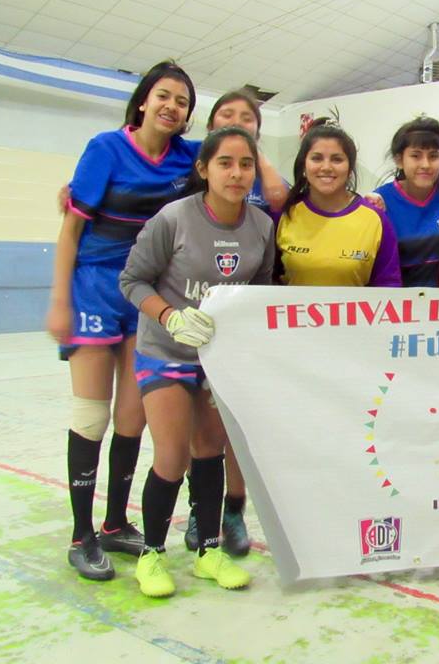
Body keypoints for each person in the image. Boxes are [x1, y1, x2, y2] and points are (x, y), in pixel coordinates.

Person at [46, 61, 199, 581]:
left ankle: (114, 523)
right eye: (163, 95)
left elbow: (239, 153)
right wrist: (58, 301)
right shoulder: (104, 149)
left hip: (145, 295)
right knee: (92, 415)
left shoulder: (189, 159)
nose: (171, 107)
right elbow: (70, 232)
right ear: (142, 101)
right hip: (92, 288)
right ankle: (80, 534)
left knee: (132, 419)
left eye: (181, 101)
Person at [120, 126, 275, 597]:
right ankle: (151, 556)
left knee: (209, 451)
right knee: (171, 454)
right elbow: (131, 281)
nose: (236, 173)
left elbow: (261, 292)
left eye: (245, 164)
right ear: (203, 168)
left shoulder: (262, 227)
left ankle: (210, 551)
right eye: (225, 163)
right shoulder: (172, 219)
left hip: (217, 357)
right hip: (165, 350)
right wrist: (169, 316)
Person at [178, 89, 286, 558]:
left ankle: (234, 510)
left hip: (248, 319)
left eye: (249, 117)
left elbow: (287, 198)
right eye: (229, 115)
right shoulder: (190, 181)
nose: (239, 121)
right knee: (200, 430)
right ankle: (201, 508)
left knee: (240, 426)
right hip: (193, 319)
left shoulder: (263, 183)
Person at [275, 124, 401, 287]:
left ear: (350, 168)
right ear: (304, 165)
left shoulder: (375, 219)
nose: (326, 167)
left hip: (357, 314)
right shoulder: (284, 214)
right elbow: (268, 279)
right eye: (317, 158)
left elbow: (388, 285)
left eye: (337, 159)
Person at [372, 117, 439, 286]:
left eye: (433, 156)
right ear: (399, 160)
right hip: (399, 305)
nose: (425, 164)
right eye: (416, 156)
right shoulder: (380, 202)